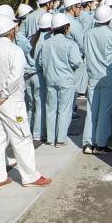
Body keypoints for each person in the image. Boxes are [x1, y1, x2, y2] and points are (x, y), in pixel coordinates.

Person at [0, 15, 51, 189]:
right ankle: (30, 176)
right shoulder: (14, 50)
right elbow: (15, 76)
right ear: (10, 31)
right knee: (22, 137)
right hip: (11, 102)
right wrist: (4, 93)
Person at [82, 5, 112, 154]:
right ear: (110, 19)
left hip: (92, 76)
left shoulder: (88, 34)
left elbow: (84, 52)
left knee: (91, 110)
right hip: (108, 76)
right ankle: (100, 144)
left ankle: (87, 143)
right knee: (104, 111)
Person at [39, 14, 83, 147]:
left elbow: (41, 62)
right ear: (66, 27)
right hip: (66, 80)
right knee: (64, 110)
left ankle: (50, 138)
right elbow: (76, 62)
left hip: (50, 80)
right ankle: (60, 139)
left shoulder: (45, 43)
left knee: (51, 109)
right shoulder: (70, 43)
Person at [28, 12, 53, 141]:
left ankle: (26, 131)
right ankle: (38, 133)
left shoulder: (32, 37)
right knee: (40, 106)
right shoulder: (47, 39)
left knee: (30, 106)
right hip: (38, 76)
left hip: (27, 76)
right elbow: (43, 61)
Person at [63, 0, 86, 114]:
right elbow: (82, 44)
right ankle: (70, 113)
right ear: (72, 8)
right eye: (79, 6)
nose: (80, 9)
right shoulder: (74, 24)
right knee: (73, 89)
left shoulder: (61, 18)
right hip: (74, 61)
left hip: (61, 60)